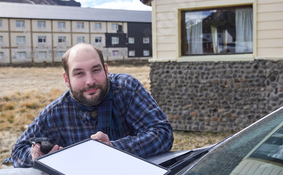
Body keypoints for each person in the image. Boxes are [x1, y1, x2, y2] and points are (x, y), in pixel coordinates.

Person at [11, 43, 174, 167]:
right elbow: (18, 152)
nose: (90, 81)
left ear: (106, 70)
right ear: (67, 79)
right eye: (79, 73)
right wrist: (37, 158)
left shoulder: (127, 89)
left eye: (96, 70)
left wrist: (113, 147)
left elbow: (163, 134)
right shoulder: (56, 112)